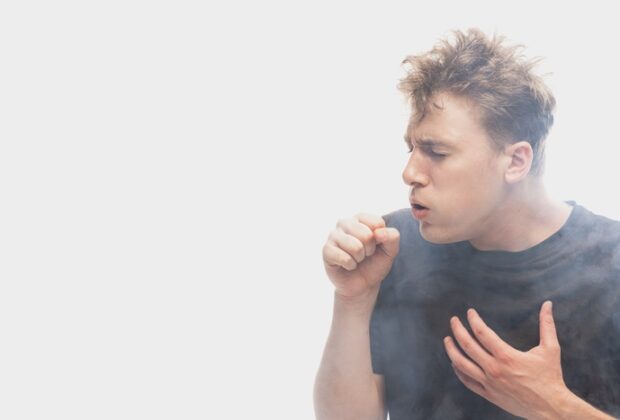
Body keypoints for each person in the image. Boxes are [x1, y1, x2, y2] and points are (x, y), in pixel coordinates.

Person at [314, 28, 620, 419]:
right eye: (412, 148)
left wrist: (554, 406)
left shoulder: (611, 262)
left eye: (436, 152)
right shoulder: (391, 249)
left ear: (515, 161)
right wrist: (352, 300)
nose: (409, 173)